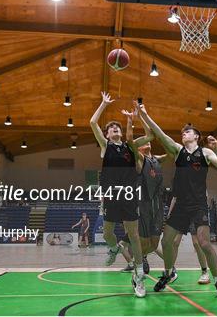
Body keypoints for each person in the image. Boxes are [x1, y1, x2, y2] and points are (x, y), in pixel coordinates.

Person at [137, 102, 217, 299]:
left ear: (196, 136)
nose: (184, 134)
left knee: (205, 243)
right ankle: (168, 273)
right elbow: (160, 133)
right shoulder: (178, 151)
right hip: (180, 204)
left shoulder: (205, 153)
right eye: (183, 132)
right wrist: (145, 115)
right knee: (167, 241)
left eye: (187, 132)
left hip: (198, 205)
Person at [90, 92, 152, 298]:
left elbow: (150, 135)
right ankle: (114, 249)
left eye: (117, 128)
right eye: (111, 129)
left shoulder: (130, 147)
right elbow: (92, 122)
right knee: (108, 233)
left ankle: (139, 274)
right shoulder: (105, 146)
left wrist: (139, 116)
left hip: (128, 194)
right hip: (110, 195)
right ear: (107, 135)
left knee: (133, 234)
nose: (114, 129)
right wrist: (103, 104)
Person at [123, 106, 166, 275]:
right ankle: (138, 266)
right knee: (143, 241)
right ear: (139, 149)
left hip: (158, 206)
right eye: (142, 142)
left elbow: (168, 150)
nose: (146, 141)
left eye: (147, 141)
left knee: (155, 244)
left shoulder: (157, 159)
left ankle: (141, 258)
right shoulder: (139, 161)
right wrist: (130, 120)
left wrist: (142, 116)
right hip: (143, 206)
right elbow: (129, 140)